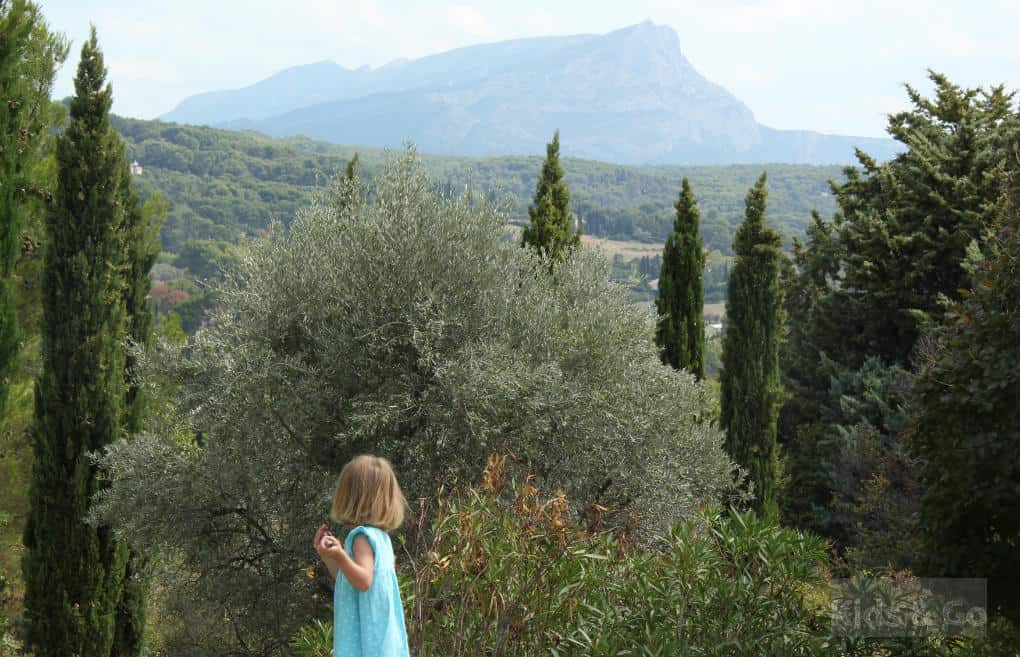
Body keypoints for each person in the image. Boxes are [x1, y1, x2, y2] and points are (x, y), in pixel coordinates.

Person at [314, 455, 410, 657]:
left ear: (351, 497)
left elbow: (364, 581)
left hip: (366, 643)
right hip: (383, 641)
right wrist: (330, 557)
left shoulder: (361, 538)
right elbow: (349, 580)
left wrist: (340, 555)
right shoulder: (381, 538)